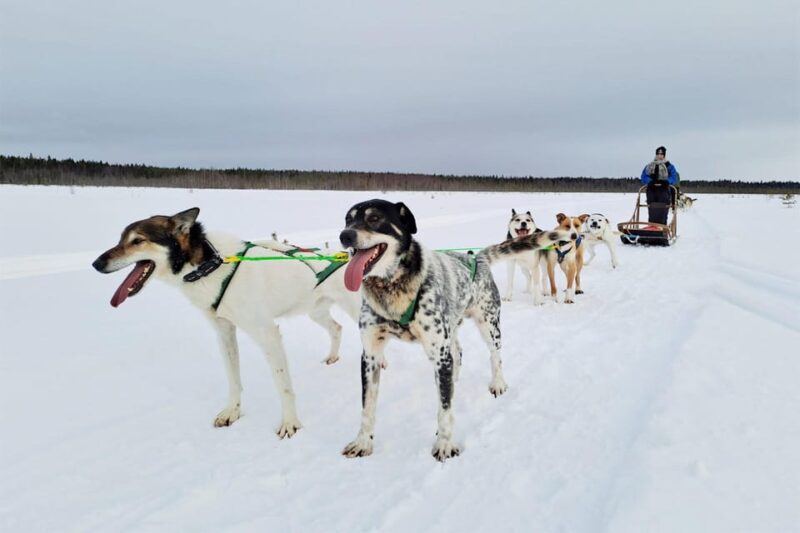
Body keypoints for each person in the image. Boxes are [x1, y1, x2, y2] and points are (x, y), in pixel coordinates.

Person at [640, 146, 678, 224]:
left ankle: (662, 227)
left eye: (661, 154)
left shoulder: (669, 166)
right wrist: (650, 181)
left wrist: (667, 181)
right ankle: (652, 226)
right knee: (652, 208)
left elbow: (674, 177)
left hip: (664, 190)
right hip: (652, 190)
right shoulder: (650, 165)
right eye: (658, 154)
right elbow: (644, 176)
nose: (659, 156)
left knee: (663, 208)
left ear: (664, 155)